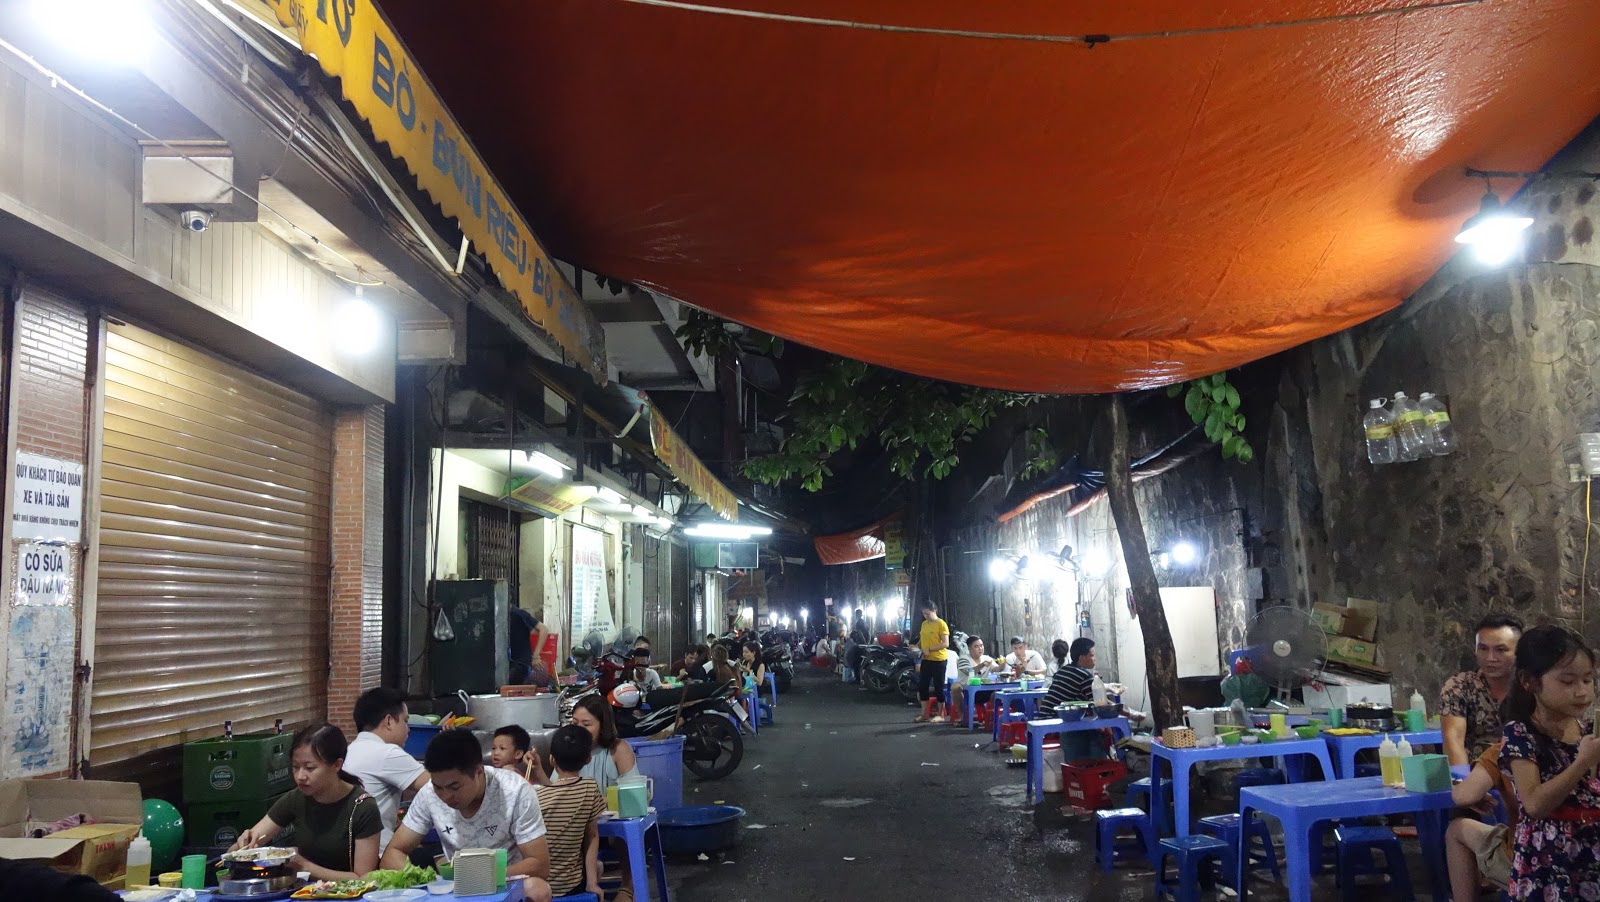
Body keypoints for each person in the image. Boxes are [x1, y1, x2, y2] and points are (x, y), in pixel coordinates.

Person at [382, 730, 552, 902]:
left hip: (504, 883)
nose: (446, 796)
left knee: (537, 889)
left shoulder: (515, 791)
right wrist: (428, 880)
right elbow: (393, 852)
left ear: (478, 772)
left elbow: (539, 864)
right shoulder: (428, 794)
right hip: (454, 890)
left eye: (454, 787)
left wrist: (477, 879)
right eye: (438, 787)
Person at [1498, 623, 1600, 899]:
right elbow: (1534, 805)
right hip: (1550, 857)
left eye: (1587, 680)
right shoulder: (1520, 733)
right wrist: (1581, 763)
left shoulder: (1590, 732)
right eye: (1568, 682)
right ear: (1529, 681)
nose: (1582, 692)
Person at [231, 723, 381, 880]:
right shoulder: (296, 798)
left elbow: (363, 878)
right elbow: (243, 846)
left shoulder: (363, 807)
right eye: (295, 767)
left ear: (337, 764)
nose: (300, 776)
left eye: (310, 768)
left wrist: (304, 866)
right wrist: (244, 843)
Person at [345, 687, 428, 851]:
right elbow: (438, 786)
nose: (408, 729)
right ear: (389, 721)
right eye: (405, 721)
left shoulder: (351, 749)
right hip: (378, 853)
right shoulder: (387, 753)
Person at [534, 726, 606, 900]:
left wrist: (538, 771)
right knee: (598, 866)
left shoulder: (536, 796)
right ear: (588, 758)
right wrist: (592, 883)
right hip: (572, 886)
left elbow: (555, 792)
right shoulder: (589, 787)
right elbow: (592, 835)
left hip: (538, 888)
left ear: (552, 759)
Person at [1442, 614, 1523, 766]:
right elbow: (1453, 741)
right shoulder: (1460, 686)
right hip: (1474, 773)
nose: (1490, 658)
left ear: (1519, 653)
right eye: (1483, 649)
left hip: (1524, 775)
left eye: (1501, 650)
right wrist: (1463, 779)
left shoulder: (1531, 687)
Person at [1446, 740, 1517, 902]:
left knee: (1457, 829)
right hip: (1574, 857)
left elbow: (1464, 796)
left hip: (1524, 861)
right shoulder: (1573, 750)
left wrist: (1466, 789)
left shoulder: (1503, 751)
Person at [1043, 638, 1103, 763]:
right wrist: (1130, 713)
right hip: (1056, 718)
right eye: (1092, 655)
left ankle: (1079, 765)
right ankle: (1094, 765)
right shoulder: (1084, 676)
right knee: (1097, 732)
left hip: (1046, 715)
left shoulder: (1064, 670)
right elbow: (1101, 703)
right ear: (1082, 657)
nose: (1095, 658)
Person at [571, 694, 638, 794]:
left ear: (603, 725)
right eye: (575, 723)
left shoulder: (618, 749)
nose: (578, 730)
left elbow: (634, 793)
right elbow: (556, 791)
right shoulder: (568, 748)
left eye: (586, 724)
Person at [913, 602, 951, 723]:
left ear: (934, 610)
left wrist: (929, 649)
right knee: (922, 686)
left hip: (939, 660)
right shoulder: (924, 624)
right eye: (924, 614)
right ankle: (924, 714)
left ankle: (941, 714)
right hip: (926, 659)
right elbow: (923, 638)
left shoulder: (941, 624)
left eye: (927, 614)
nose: (926, 616)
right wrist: (917, 646)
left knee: (939, 687)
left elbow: (945, 643)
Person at [508, 603, 547, 686]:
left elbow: (543, 629)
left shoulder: (518, 613)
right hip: (509, 663)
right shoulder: (499, 617)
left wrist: (536, 656)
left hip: (521, 665)